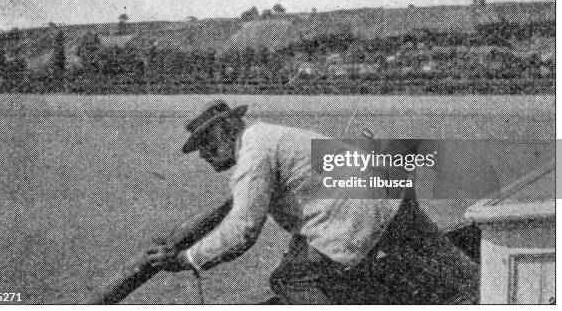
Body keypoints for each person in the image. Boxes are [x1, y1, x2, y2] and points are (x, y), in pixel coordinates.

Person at [145, 99, 478, 304]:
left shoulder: (252, 154)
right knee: (463, 274)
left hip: (358, 215)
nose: (202, 154)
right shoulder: (268, 134)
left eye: (205, 143)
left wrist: (188, 258)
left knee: (289, 280)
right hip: (391, 194)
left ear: (226, 129)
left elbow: (242, 230)